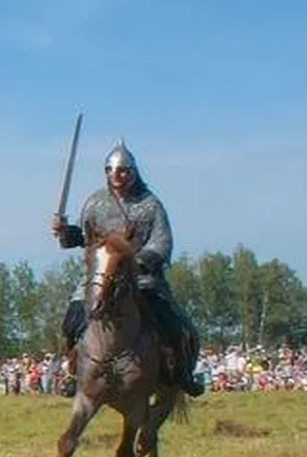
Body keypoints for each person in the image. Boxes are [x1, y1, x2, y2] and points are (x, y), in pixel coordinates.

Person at [51, 141, 205, 397]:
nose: (117, 176)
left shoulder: (150, 204)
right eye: (111, 171)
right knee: (70, 324)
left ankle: (182, 374)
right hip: (100, 278)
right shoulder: (95, 203)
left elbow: (162, 242)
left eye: (122, 171)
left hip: (143, 279)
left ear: (133, 172)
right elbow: (84, 238)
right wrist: (64, 232)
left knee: (175, 325)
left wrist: (137, 261)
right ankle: (71, 373)